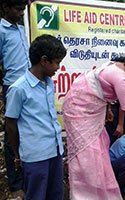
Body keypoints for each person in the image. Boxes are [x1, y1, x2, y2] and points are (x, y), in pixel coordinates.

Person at [62, 44, 125, 200]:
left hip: (91, 108)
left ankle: (99, 188)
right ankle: (84, 194)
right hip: (78, 109)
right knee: (88, 154)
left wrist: (107, 109)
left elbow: (101, 86)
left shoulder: (118, 66)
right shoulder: (121, 78)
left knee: (101, 145)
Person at [5, 34, 66, 200]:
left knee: (56, 194)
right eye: (57, 62)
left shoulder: (49, 82)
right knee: (36, 195)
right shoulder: (19, 89)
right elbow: (10, 122)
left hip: (55, 150)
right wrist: (18, 154)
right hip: (35, 155)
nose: (58, 67)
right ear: (44, 61)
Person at [0, 0, 31, 198]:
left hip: (29, 85)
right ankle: (15, 183)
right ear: (5, 8)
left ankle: (27, 175)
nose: (21, 13)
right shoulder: (1, 30)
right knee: (12, 135)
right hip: (12, 86)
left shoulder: (21, 28)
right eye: (17, 9)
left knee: (26, 131)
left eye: (22, 9)